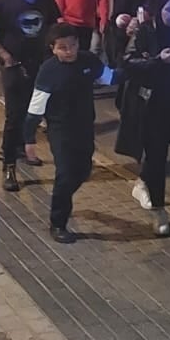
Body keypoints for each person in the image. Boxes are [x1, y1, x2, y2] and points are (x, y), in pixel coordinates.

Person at [115, 0, 170, 235]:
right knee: (157, 157)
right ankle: (159, 211)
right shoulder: (145, 32)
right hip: (150, 104)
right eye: (169, 9)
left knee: (158, 155)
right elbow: (128, 63)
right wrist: (158, 61)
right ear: (158, 11)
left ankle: (143, 181)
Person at [25, 26, 108, 244]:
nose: (69, 51)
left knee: (83, 170)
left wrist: (150, 66)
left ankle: (63, 200)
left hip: (85, 127)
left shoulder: (88, 61)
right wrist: (29, 139)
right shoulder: (48, 71)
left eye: (72, 45)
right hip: (61, 130)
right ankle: (58, 222)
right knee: (65, 173)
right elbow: (35, 108)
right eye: (63, 48)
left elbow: (111, 76)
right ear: (53, 49)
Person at [0, 0, 58, 191]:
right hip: (15, 66)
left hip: (41, 65)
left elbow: (55, 25)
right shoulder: (3, 2)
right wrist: (5, 56)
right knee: (14, 116)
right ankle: (9, 165)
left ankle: (26, 149)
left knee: (35, 113)